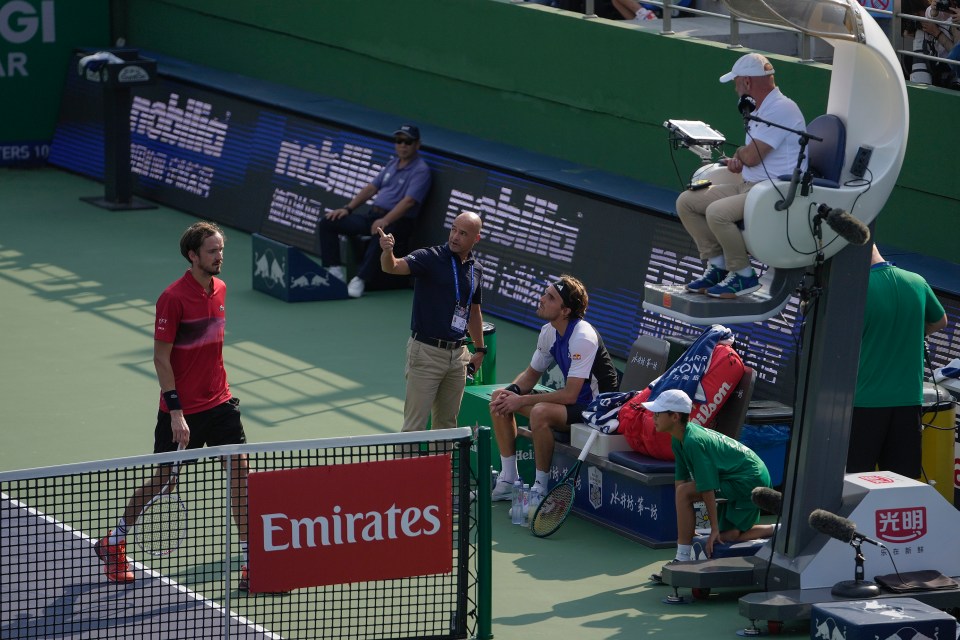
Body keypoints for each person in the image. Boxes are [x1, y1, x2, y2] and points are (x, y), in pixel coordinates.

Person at [94, 222, 255, 591]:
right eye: (212, 251)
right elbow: (161, 358)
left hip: (221, 404)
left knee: (240, 476)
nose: (219, 257)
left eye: (221, 250)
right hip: (182, 411)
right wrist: (177, 413)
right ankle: (114, 542)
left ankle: (249, 561)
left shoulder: (221, 289)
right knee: (164, 483)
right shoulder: (173, 298)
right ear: (192, 255)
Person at [676, 53, 806, 299]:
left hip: (773, 191)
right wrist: (740, 161)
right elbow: (755, 157)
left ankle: (744, 275)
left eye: (736, 82)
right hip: (751, 185)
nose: (735, 89)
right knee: (687, 202)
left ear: (746, 82)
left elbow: (754, 156)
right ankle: (718, 265)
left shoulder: (781, 109)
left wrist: (741, 155)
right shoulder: (762, 107)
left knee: (717, 212)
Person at [489, 275, 619, 502]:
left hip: (596, 409)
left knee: (540, 412)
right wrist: (512, 393)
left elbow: (570, 395)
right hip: (574, 403)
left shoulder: (582, 337)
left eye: (550, 297)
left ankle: (540, 488)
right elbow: (530, 376)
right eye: (545, 294)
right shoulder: (549, 331)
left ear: (565, 310)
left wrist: (522, 401)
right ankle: (508, 479)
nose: (542, 299)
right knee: (500, 398)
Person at [379, 211, 487, 433]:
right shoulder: (430, 257)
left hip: (458, 357)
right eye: (453, 229)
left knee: (447, 426)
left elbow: (473, 311)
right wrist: (388, 252)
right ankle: (407, 469)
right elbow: (392, 267)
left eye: (463, 233)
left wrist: (480, 348)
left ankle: (441, 469)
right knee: (414, 427)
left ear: (476, 238)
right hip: (426, 353)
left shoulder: (476, 269)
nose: (455, 236)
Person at [846, 245, 948, 477]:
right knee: (903, 482)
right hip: (908, 402)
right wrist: (910, 333)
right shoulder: (917, 281)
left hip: (864, 403)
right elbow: (940, 321)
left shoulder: (854, 289)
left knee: (856, 481)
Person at [646, 389, 774, 569]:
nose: (654, 418)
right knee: (729, 536)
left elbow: (706, 488)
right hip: (737, 476)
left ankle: (682, 559)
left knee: (717, 529)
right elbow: (680, 481)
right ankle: (778, 529)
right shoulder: (678, 439)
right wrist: (687, 522)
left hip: (750, 480)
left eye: (658, 414)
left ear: (674, 417)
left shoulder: (693, 442)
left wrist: (713, 529)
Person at [317, 123, 432, 298]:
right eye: (399, 140)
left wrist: (386, 220)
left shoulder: (421, 170)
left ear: (417, 144)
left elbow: (408, 202)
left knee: (382, 234)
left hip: (398, 222)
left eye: (408, 141)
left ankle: (360, 279)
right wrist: (347, 209)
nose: (402, 145)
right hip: (373, 215)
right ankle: (335, 272)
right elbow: (371, 188)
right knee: (329, 221)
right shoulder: (393, 163)